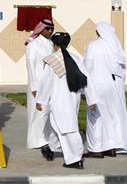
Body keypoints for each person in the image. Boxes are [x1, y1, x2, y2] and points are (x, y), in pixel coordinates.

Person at [35, 32, 88, 169]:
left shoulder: (53, 60)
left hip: (59, 100)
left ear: (56, 45)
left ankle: (75, 159)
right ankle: (52, 148)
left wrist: (41, 100)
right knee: (56, 125)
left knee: (67, 129)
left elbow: (45, 82)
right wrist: (85, 94)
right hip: (72, 98)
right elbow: (84, 78)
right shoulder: (76, 58)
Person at [83, 21, 127, 157]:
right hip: (114, 87)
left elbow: (87, 68)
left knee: (95, 117)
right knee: (112, 116)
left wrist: (86, 90)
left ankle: (96, 149)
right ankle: (111, 147)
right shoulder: (116, 48)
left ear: (98, 32)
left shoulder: (93, 46)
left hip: (98, 86)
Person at [25, 18, 55, 159]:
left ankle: (45, 138)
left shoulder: (51, 44)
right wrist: (35, 86)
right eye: (47, 29)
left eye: (51, 29)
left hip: (50, 84)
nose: (50, 31)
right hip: (37, 85)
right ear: (41, 29)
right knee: (37, 112)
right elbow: (30, 66)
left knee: (47, 112)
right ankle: (36, 140)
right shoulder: (33, 45)